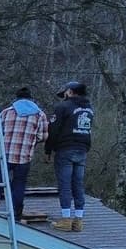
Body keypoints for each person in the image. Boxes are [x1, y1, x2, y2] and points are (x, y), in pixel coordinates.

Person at [0, 87, 51, 221]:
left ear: (16, 99)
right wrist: (31, 141)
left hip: (4, 154)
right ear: (31, 99)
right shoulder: (40, 115)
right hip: (24, 156)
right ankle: (16, 214)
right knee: (19, 184)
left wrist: (2, 144)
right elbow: (43, 136)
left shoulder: (5, 112)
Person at [46, 81, 94, 232]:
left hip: (66, 149)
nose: (64, 96)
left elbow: (53, 130)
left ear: (70, 92)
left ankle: (66, 219)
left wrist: (48, 150)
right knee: (78, 184)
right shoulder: (89, 108)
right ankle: (78, 220)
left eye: (65, 93)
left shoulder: (63, 107)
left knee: (65, 185)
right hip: (82, 149)